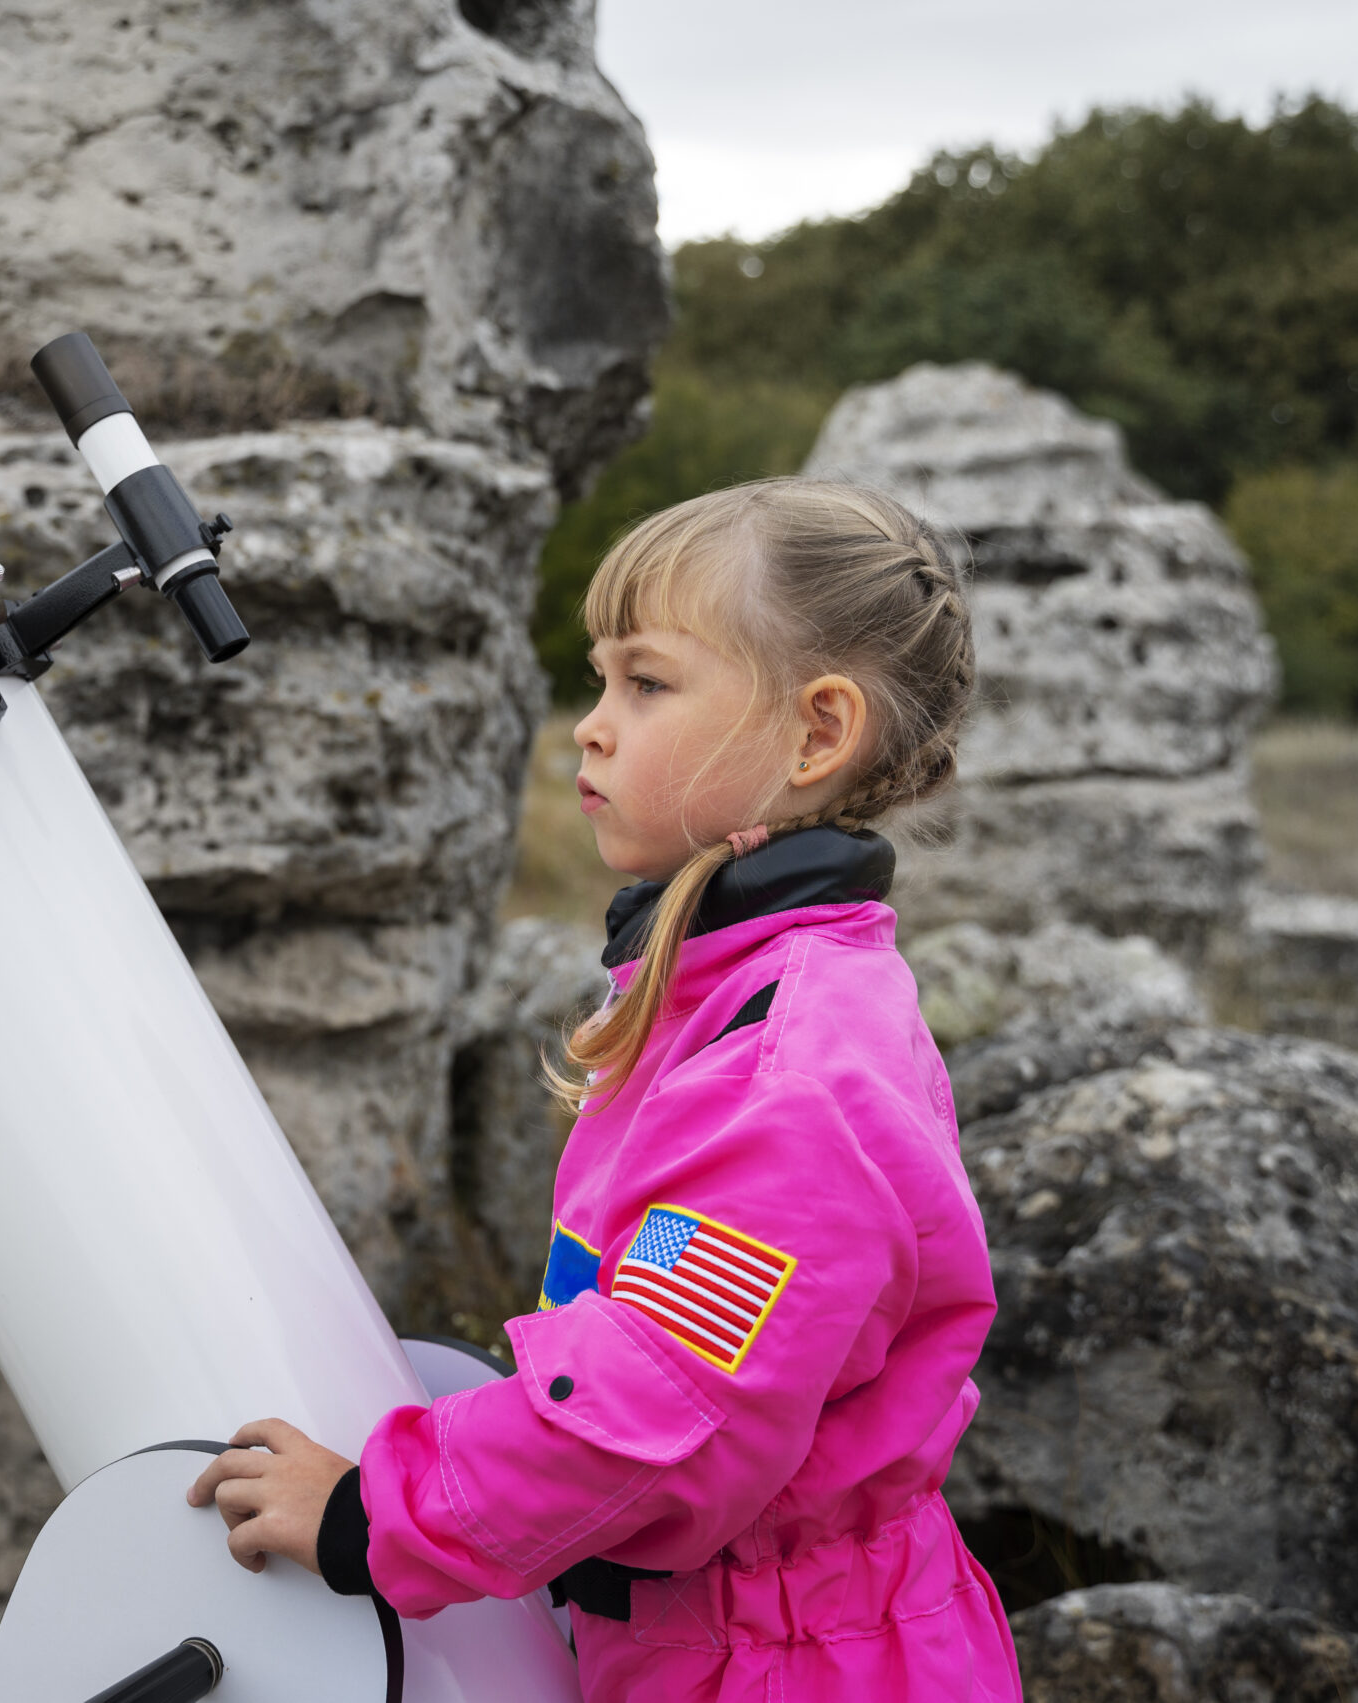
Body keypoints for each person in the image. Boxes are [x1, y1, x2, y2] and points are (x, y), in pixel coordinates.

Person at [187, 478, 1023, 1701]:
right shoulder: (726, 995)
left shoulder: (787, 1079)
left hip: (788, 1666)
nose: (590, 724)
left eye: (647, 682)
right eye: (597, 680)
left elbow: (651, 1415)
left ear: (814, 733)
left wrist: (368, 1514)